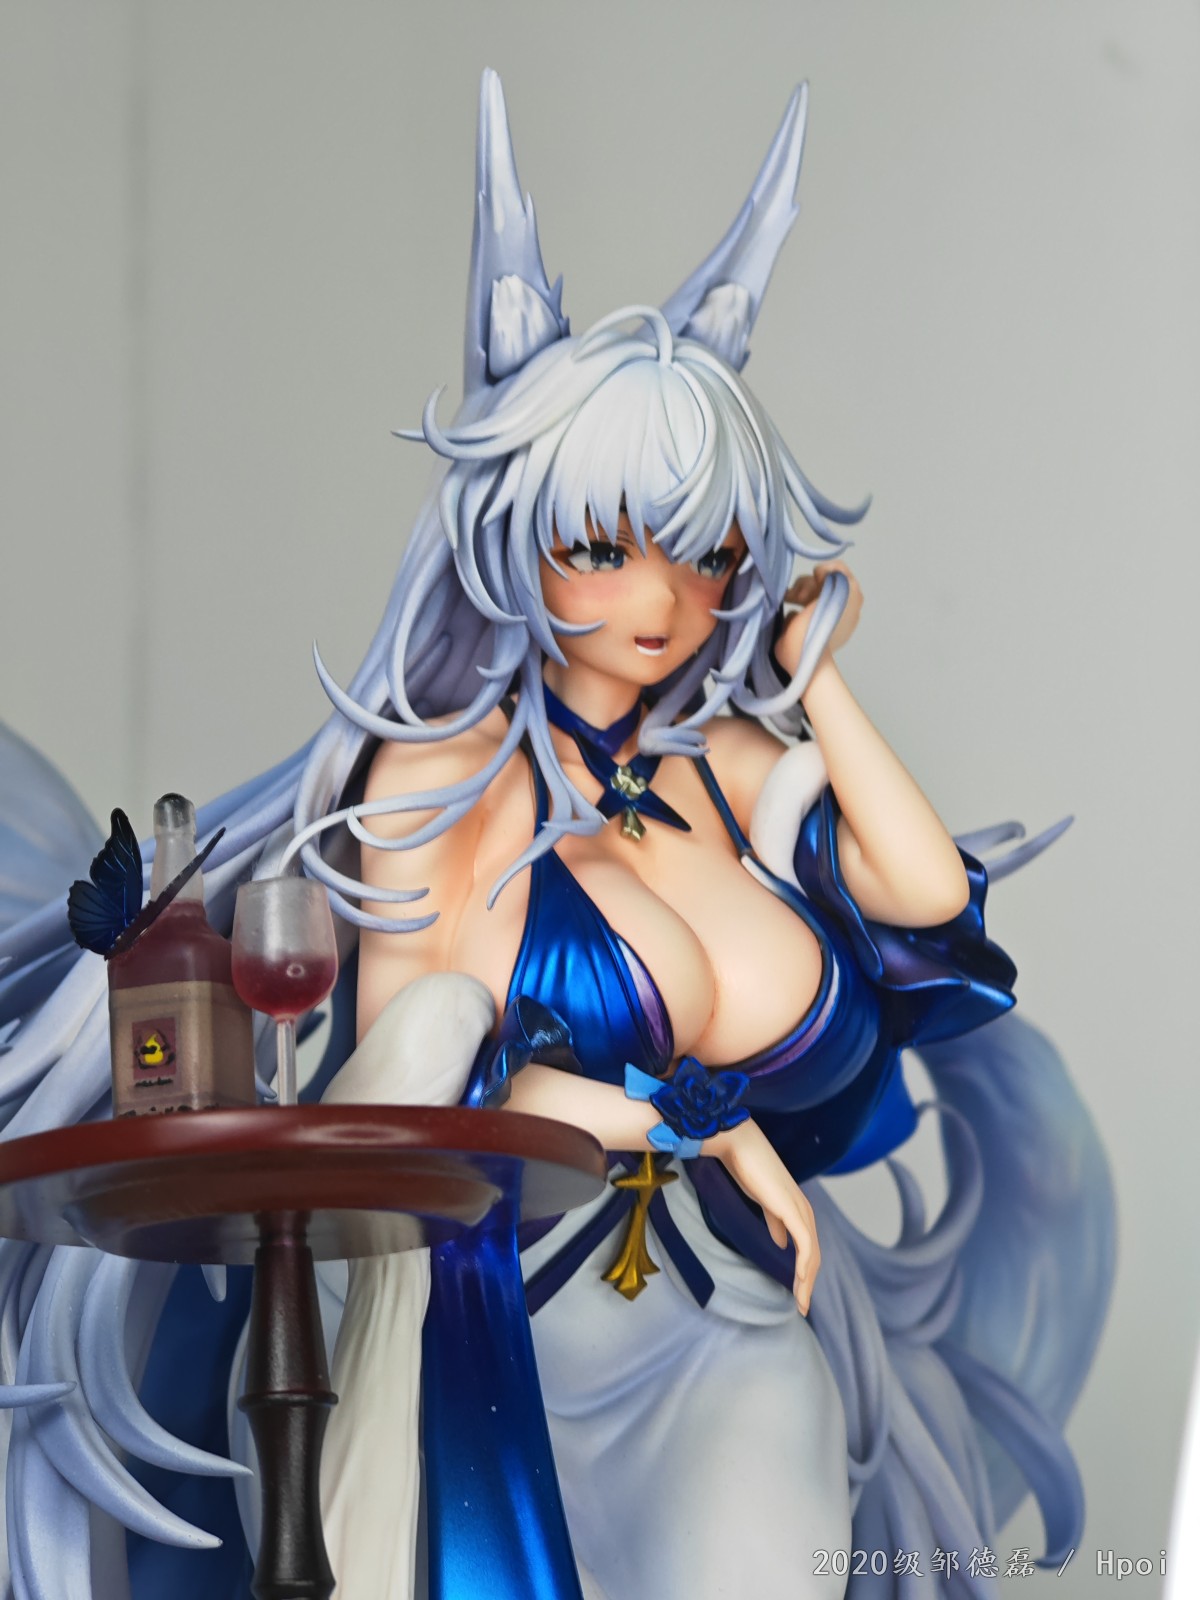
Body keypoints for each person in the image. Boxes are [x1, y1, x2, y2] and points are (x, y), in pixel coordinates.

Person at [0, 70, 1112, 1600]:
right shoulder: (437, 778)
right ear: (516, 533)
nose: (663, 601)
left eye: (707, 554)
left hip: (727, 1345)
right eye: (605, 544)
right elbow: (428, 1095)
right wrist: (706, 1124)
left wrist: (819, 682)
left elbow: (928, 907)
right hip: (501, 1343)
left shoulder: (731, 765)